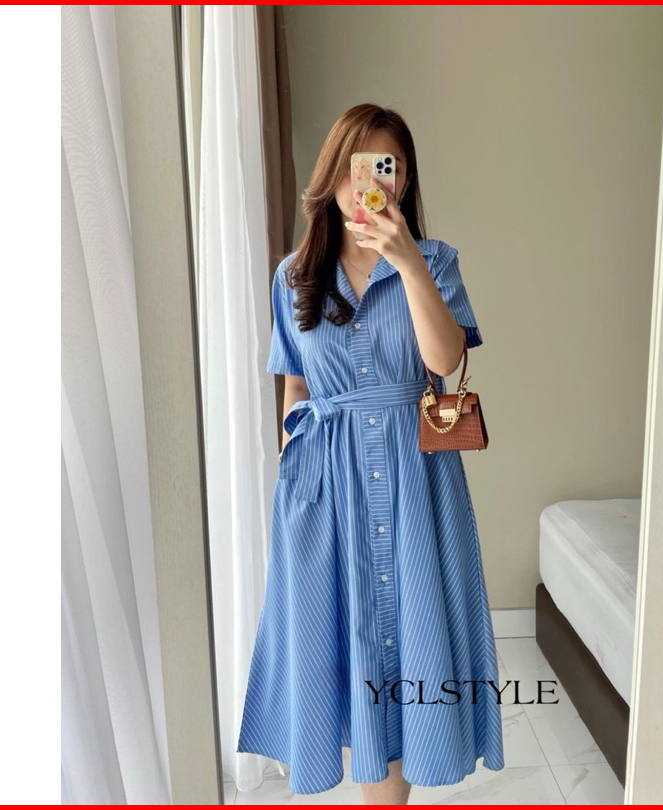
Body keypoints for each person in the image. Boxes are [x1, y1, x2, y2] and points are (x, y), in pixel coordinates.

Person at [237, 103, 504, 804]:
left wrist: (407, 261)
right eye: (361, 168)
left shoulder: (435, 261)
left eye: (389, 168)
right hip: (325, 486)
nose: (373, 184)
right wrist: (298, 470)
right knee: (344, 647)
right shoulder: (295, 275)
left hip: (417, 482)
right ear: (335, 176)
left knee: (413, 644)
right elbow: (295, 384)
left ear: (405, 180)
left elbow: (444, 361)